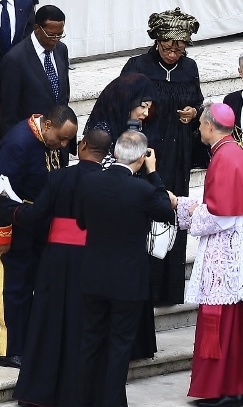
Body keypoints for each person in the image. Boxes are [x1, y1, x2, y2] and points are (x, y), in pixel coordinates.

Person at [0, 128, 111, 407]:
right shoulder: (108, 182)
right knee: (81, 324)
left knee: (48, 322)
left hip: (56, 259)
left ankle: (39, 392)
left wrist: (6, 206)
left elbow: (33, 216)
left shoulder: (59, 177)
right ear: (106, 155)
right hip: (90, 259)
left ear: (81, 146)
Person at [0, 104, 78, 369]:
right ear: (47, 125)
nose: (63, 144)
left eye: (68, 140)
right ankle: (7, 350)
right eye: (61, 138)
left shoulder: (52, 142)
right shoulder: (18, 144)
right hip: (9, 224)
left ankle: (26, 342)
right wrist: (2, 235)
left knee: (29, 286)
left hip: (34, 223)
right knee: (11, 290)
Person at [176, 103, 243, 407]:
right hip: (241, 246)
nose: (199, 130)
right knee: (241, 320)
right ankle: (237, 387)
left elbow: (220, 214)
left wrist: (186, 209)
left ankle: (227, 389)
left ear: (209, 125)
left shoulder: (224, 156)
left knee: (224, 320)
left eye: (201, 125)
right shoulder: (237, 151)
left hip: (229, 251)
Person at [75, 131, 175, 407]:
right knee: (119, 346)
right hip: (128, 280)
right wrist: (154, 175)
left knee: (91, 341)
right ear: (142, 158)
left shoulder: (90, 182)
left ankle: (84, 400)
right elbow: (167, 211)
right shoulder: (143, 189)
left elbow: (81, 222)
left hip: (93, 274)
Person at [121, 8, 205, 306]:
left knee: (173, 212)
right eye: (168, 47)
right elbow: (123, 105)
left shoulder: (189, 68)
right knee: (148, 213)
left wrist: (193, 113)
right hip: (148, 153)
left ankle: (168, 289)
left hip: (178, 153)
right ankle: (146, 285)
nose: (173, 53)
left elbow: (197, 100)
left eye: (179, 47)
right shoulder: (138, 66)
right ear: (157, 41)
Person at [0, 4, 71, 165]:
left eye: (60, 35)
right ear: (37, 28)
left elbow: (63, 95)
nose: (56, 40)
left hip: (58, 144)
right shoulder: (16, 59)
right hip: (30, 144)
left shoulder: (61, 50)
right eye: (51, 35)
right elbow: (9, 112)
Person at [84, 72, 157, 168]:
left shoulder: (134, 124)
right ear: (126, 102)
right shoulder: (101, 133)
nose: (146, 113)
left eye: (148, 108)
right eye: (143, 106)